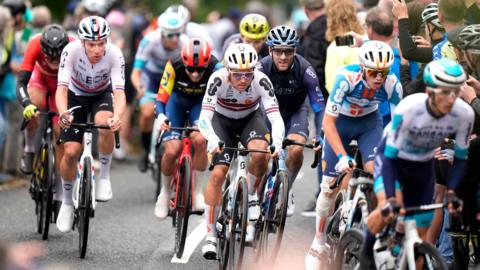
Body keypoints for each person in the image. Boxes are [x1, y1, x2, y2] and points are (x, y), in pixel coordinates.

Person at [359, 58, 474, 269]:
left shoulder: (464, 114)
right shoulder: (410, 109)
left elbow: (460, 159)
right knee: (389, 208)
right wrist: (392, 198)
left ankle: (404, 253)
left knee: (419, 240)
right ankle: (365, 254)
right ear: (430, 91)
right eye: (445, 92)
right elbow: (390, 159)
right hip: (392, 161)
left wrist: (452, 192)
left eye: (456, 92)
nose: (452, 98)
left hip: (422, 167)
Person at [305, 40, 403, 269]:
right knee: (329, 185)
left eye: (383, 72)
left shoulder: (391, 84)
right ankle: (317, 243)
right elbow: (328, 124)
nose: (379, 78)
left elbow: (398, 124)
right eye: (374, 73)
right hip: (340, 124)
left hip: (369, 124)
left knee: (377, 172)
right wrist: (341, 156)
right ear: (362, 68)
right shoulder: (345, 79)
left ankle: (374, 227)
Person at [198, 43, 284, 259]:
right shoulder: (217, 79)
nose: (243, 80)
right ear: (228, 71)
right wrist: (212, 139)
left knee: (261, 150)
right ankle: (210, 236)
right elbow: (204, 118)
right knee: (218, 174)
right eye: (238, 75)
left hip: (249, 120)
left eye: (248, 74)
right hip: (222, 123)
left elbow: (275, 117)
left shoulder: (261, 81)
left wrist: (278, 142)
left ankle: (253, 195)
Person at [55, 16, 126, 233]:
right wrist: (63, 112)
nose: (97, 49)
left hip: (101, 95)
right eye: (92, 44)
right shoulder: (71, 51)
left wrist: (118, 116)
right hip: (75, 96)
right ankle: (67, 201)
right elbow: (61, 90)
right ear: (82, 42)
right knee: (70, 152)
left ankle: (104, 175)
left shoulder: (115, 54)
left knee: (104, 123)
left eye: (101, 43)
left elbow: (120, 92)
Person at [257, 25, 325, 217]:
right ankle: (253, 198)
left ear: (295, 50)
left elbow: (319, 107)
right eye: (278, 51)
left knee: (295, 150)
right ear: (270, 50)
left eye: (288, 51)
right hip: (268, 115)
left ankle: (287, 188)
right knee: (260, 153)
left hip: (295, 112)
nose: (283, 57)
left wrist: (321, 135)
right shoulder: (261, 68)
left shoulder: (305, 70)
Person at [153, 38, 222, 219]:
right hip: (176, 103)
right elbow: (161, 98)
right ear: (184, 62)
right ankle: (165, 193)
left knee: (200, 140)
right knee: (172, 150)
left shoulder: (217, 67)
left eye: (200, 69)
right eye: (190, 68)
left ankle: (197, 192)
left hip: (200, 105)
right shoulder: (173, 64)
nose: (195, 74)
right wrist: (161, 116)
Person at [131, 12, 185, 172]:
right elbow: (136, 73)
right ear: (161, 32)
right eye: (170, 35)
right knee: (147, 113)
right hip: (151, 78)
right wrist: (140, 89)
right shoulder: (149, 40)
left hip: (172, 79)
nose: (174, 39)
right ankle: (146, 150)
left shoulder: (185, 43)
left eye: (177, 34)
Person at [17, 25, 73, 175]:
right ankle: (29, 150)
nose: (54, 63)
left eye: (58, 58)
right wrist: (27, 104)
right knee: (34, 104)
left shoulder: (75, 46)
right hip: (40, 78)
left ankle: (60, 188)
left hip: (61, 85)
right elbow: (21, 82)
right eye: (50, 57)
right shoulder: (34, 44)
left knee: (61, 131)